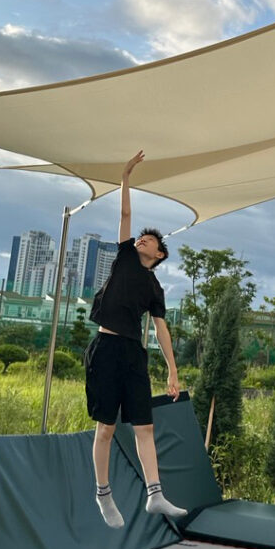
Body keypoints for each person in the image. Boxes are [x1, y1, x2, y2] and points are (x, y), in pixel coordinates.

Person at [84, 150, 186, 528]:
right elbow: (125, 215)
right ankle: (103, 495)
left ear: (158, 255)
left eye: (150, 240)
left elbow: (161, 329)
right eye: (142, 236)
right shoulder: (125, 257)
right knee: (106, 428)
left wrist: (172, 372)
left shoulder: (154, 286)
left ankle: (155, 495)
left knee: (144, 426)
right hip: (106, 348)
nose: (143, 238)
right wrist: (126, 177)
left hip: (133, 354)